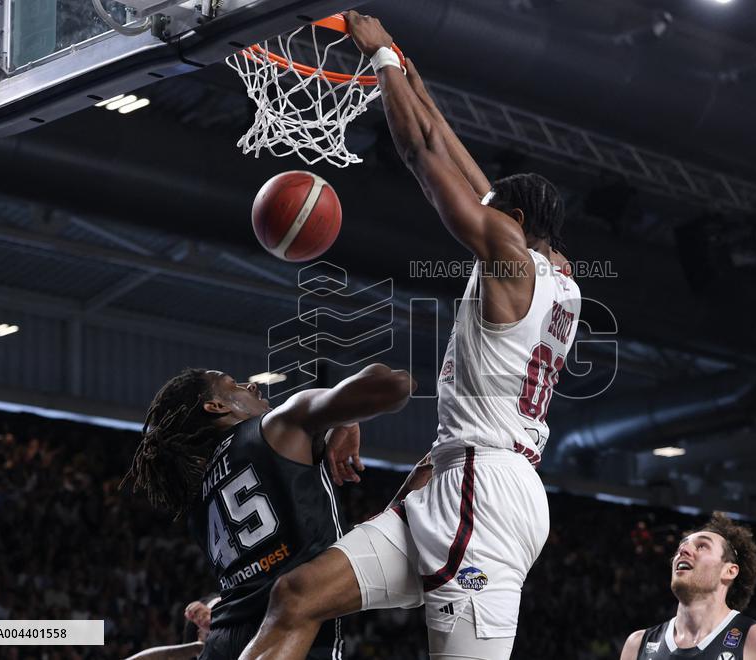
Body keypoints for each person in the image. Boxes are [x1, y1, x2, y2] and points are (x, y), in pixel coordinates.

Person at [239, 10, 581, 660]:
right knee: (298, 594)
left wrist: (383, 64)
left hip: (486, 491)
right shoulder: (557, 275)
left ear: (509, 223)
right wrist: (409, 71)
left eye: (493, 211)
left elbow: (426, 158)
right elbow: (452, 149)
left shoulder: (509, 261)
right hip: (460, 475)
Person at [124, 363, 414, 659]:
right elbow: (395, 386)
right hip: (291, 641)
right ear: (216, 406)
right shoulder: (280, 425)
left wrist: (342, 416)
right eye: (234, 384)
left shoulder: (198, 499)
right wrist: (342, 410)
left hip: (225, 644)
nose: (252, 386)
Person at [619, 513, 756, 660]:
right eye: (682, 546)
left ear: (729, 571)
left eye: (702, 546)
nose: (683, 551)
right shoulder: (637, 645)